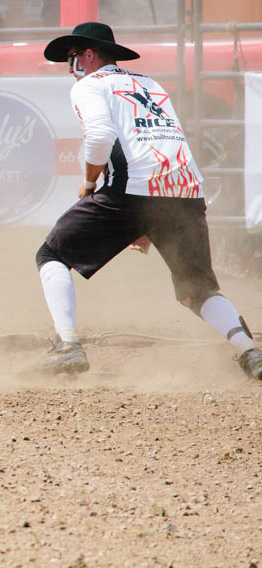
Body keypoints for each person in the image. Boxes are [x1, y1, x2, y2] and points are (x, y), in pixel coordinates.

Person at [29, 21, 262, 380]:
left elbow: (100, 135)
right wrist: (151, 221)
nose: (70, 69)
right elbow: (164, 141)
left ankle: (68, 345)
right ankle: (248, 351)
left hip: (133, 190)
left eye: (72, 59)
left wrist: (90, 183)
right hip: (184, 190)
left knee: (51, 254)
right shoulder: (150, 84)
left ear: (88, 56)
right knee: (198, 289)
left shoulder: (90, 85)